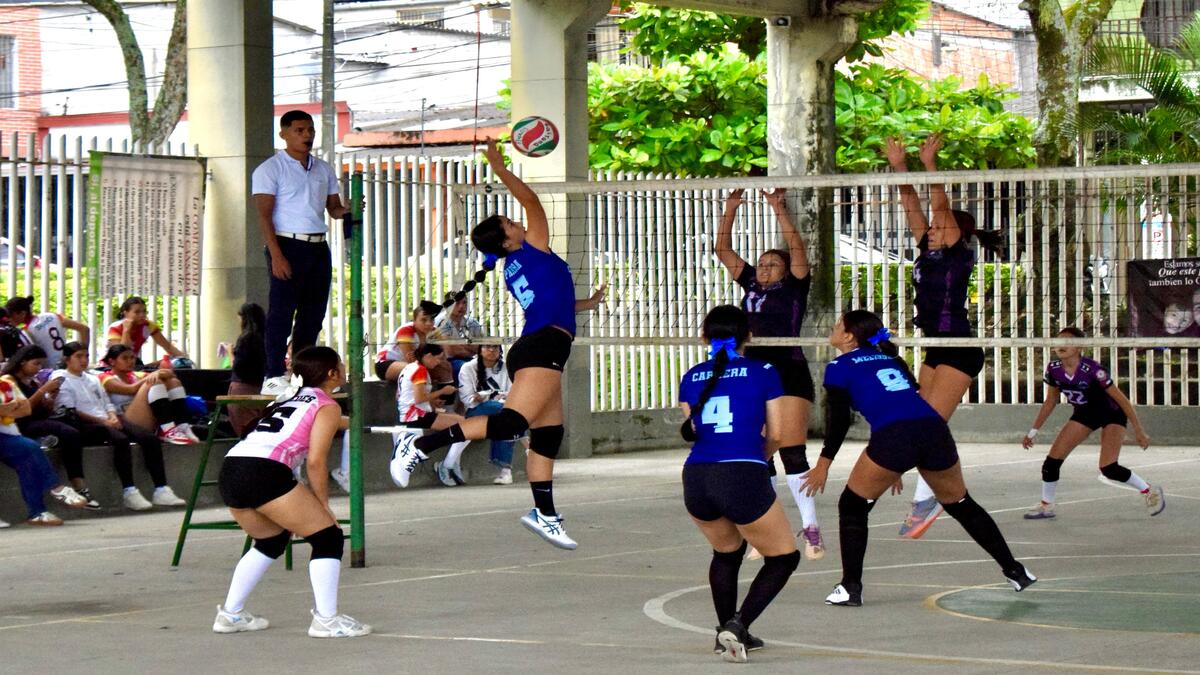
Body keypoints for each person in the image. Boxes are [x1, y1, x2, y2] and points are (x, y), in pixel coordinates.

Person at [393, 139, 605, 550]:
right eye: (510, 223)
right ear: (507, 240)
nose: (518, 223)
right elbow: (532, 201)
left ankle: (544, 514)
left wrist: (588, 303)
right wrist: (498, 165)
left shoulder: (516, 266)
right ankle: (420, 444)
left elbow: (554, 303)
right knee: (510, 424)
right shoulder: (532, 249)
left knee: (549, 434)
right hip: (542, 347)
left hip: (543, 344)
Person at [804, 310, 1036, 607]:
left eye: (838, 326)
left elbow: (838, 419)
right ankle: (1016, 571)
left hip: (896, 437)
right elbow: (905, 403)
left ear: (848, 336)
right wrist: (893, 466)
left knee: (852, 505)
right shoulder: (892, 360)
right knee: (961, 504)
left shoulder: (839, 365)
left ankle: (850, 587)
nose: (833, 329)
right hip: (933, 430)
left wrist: (824, 461)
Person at [885, 134, 1004, 539]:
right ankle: (932, 488)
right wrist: (900, 167)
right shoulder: (927, 249)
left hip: (959, 345)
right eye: (932, 228)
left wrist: (930, 164)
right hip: (936, 345)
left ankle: (928, 496)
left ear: (955, 232)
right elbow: (912, 206)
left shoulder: (958, 252)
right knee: (923, 420)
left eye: (939, 227)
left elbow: (936, 204)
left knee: (928, 425)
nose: (931, 229)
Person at [213, 346, 370, 638]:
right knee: (328, 536)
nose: (345, 367)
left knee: (271, 539)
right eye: (340, 364)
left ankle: (231, 614)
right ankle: (327, 620)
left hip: (232, 469)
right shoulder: (327, 405)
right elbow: (316, 461)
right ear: (332, 373)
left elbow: (317, 426)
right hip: (264, 471)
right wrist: (323, 507)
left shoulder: (292, 398)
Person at [678, 305, 800, 663]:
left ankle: (724, 634)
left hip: (696, 477)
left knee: (726, 553)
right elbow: (778, 434)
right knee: (783, 558)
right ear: (749, 336)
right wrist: (759, 459)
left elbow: (695, 432)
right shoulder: (763, 371)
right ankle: (739, 624)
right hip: (741, 472)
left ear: (705, 336)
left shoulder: (692, 376)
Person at [715, 187, 823, 561]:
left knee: (792, 448)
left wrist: (779, 208)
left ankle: (811, 528)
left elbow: (797, 249)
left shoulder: (795, 285)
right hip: (754, 374)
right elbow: (723, 251)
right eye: (760, 264)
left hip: (789, 369)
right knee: (759, 451)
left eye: (770, 264)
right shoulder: (750, 284)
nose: (763, 268)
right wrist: (730, 208)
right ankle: (767, 530)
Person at [252, 110, 349, 396]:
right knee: (282, 311)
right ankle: (272, 374)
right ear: (283, 133)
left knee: (313, 314)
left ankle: (305, 374)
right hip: (286, 243)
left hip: (318, 244)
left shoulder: (323, 168)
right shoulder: (270, 169)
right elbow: (264, 217)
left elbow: (334, 209)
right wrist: (277, 255)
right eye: (299, 130)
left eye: (310, 130)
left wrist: (348, 209)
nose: (306, 136)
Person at [1021, 327, 1163, 519]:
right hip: (1085, 414)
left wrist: (1139, 431)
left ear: (1079, 347)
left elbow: (1122, 401)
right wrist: (1033, 431)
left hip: (1111, 414)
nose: (1061, 345)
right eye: (1059, 340)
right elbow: (1051, 400)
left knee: (1108, 468)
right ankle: (1047, 505)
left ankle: (1149, 490)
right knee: (1051, 462)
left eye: (1068, 341)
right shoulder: (1053, 369)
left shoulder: (1093, 370)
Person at [52, 342, 186, 511]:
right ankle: (129, 490)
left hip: (109, 417)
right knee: (120, 440)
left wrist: (112, 416)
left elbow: (106, 402)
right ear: (67, 359)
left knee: (149, 439)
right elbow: (71, 410)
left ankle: (161, 488)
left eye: (86, 356)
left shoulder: (92, 378)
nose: (83, 360)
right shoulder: (61, 378)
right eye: (78, 356)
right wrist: (103, 421)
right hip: (87, 423)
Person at [1, 345, 99, 509]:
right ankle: (77, 483)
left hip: (39, 420)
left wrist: (50, 398)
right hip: (22, 424)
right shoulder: (10, 380)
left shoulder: (33, 381)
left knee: (73, 430)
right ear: (22, 362)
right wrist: (42, 391)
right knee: (68, 433)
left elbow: (44, 409)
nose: (38, 368)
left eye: (41, 365)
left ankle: (74, 480)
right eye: (35, 364)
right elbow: (22, 410)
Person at [388, 343, 471, 488]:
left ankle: (450, 463)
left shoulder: (409, 367)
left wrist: (432, 401)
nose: (439, 363)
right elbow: (418, 398)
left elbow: (403, 396)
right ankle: (447, 465)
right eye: (437, 359)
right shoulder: (419, 371)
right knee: (468, 427)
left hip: (411, 414)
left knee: (465, 426)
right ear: (428, 356)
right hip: (416, 416)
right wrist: (442, 391)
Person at [99, 344, 201, 445]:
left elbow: (170, 374)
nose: (130, 361)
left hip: (145, 417)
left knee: (173, 382)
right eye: (125, 358)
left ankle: (181, 424)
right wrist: (153, 375)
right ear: (112, 361)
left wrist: (159, 373)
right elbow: (130, 389)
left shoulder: (136, 375)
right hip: (125, 422)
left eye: (132, 357)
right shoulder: (105, 377)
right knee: (153, 381)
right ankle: (168, 429)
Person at [457, 344, 517, 485]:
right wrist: (478, 398)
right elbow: (467, 399)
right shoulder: (468, 367)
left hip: (502, 409)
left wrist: (502, 397)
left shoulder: (506, 367)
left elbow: (514, 391)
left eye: (495, 347)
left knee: (506, 418)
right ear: (480, 349)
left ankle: (505, 471)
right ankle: (521, 451)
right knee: (509, 414)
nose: (491, 350)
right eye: (487, 347)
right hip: (476, 410)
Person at [4, 296, 90, 370]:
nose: (9, 319)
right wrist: (83, 354)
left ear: (22, 313)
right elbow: (84, 329)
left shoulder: (27, 331)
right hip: (69, 364)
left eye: (11, 316)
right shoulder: (52, 316)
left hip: (50, 370)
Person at [106, 296, 187, 367]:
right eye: (137, 312)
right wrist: (126, 331)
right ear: (125, 313)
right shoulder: (115, 327)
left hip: (133, 365)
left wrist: (184, 358)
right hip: (111, 367)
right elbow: (121, 354)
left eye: (144, 311)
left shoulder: (148, 326)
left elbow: (168, 347)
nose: (142, 315)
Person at [375, 301, 442, 382]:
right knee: (416, 370)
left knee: (445, 369)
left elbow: (441, 355)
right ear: (414, 321)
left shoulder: (434, 332)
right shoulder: (406, 330)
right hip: (385, 364)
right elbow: (410, 359)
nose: (428, 323)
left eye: (431, 319)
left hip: (410, 364)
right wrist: (426, 361)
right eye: (423, 320)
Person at [227, 303, 268, 436]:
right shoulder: (266, 339)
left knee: (245, 432)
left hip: (241, 388)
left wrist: (230, 353)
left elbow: (238, 366)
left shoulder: (245, 339)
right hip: (261, 388)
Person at [435, 291, 484, 381]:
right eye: (457, 303)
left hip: (469, 359)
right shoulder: (441, 322)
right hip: (448, 361)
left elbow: (482, 347)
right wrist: (470, 345)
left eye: (464, 302)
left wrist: (459, 345)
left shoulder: (472, 322)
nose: (461, 306)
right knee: (466, 368)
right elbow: (451, 351)